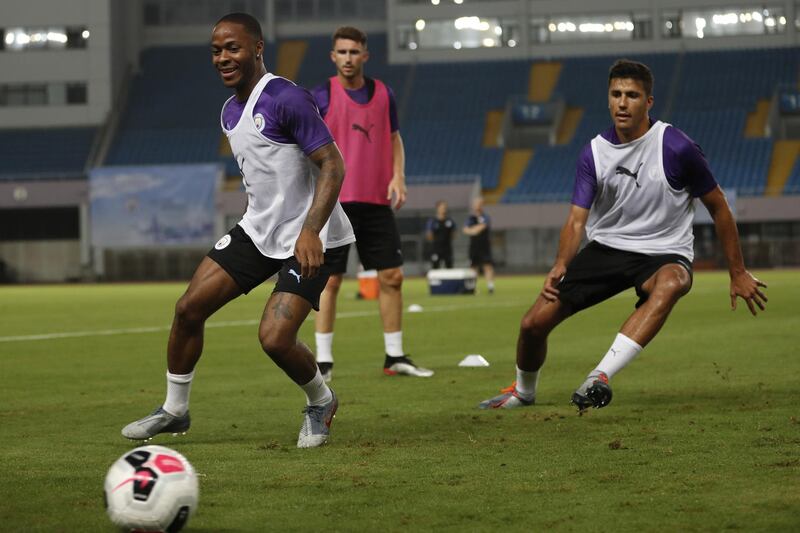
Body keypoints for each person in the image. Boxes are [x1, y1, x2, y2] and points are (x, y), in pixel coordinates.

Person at [121, 13, 355, 448]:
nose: (223, 57)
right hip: (259, 230)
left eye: (233, 47)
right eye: (216, 50)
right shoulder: (230, 112)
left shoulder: (286, 97)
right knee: (189, 308)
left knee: (274, 338)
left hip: (311, 237)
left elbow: (333, 165)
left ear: (258, 48)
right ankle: (174, 409)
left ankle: (321, 401)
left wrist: (309, 231)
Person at [479, 59, 767, 411]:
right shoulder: (594, 154)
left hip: (665, 252)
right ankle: (523, 392)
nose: (622, 102)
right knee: (533, 324)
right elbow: (575, 222)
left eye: (632, 95)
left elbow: (719, 207)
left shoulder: (676, 147)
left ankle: (599, 376)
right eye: (615, 94)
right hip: (608, 248)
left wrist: (737, 271)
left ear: (648, 102)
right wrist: (560, 264)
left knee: (673, 283)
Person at [310, 26, 433, 382]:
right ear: (333, 57)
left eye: (354, 52)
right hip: (335, 202)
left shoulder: (384, 93)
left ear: (365, 55)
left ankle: (395, 356)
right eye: (342, 52)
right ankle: (324, 362)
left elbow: (394, 138)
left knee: (392, 277)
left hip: (376, 201)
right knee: (329, 281)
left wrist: (399, 176)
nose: (348, 58)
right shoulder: (321, 96)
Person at [463, 196, 495, 294]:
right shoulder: (470, 218)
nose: (477, 205)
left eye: (479, 203)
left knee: (487, 266)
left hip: (484, 245)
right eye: (476, 204)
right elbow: (465, 229)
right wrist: (473, 230)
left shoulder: (485, 217)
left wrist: (473, 230)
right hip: (474, 246)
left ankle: (490, 286)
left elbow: (482, 227)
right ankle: (473, 287)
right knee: (473, 267)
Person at [426, 200, 456, 269]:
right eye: (442, 207)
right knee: (435, 267)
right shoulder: (432, 221)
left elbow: (453, 234)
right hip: (436, 248)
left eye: (445, 207)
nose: (444, 209)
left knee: (449, 267)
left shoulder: (450, 221)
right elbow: (429, 235)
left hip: (447, 249)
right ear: (437, 208)